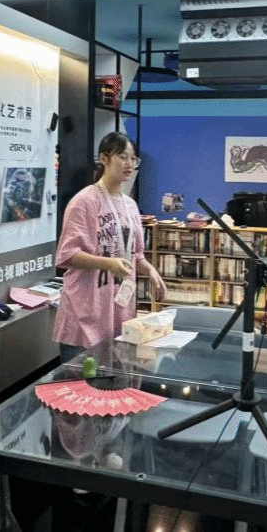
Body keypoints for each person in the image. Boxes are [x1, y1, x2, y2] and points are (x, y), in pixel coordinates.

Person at [53, 132, 166, 362]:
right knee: (82, 382)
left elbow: (134, 254)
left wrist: (150, 270)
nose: (129, 164)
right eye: (122, 157)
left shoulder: (130, 206)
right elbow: (67, 254)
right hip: (85, 313)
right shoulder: (84, 202)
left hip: (118, 312)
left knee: (112, 381)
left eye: (133, 158)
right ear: (104, 158)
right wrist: (108, 264)